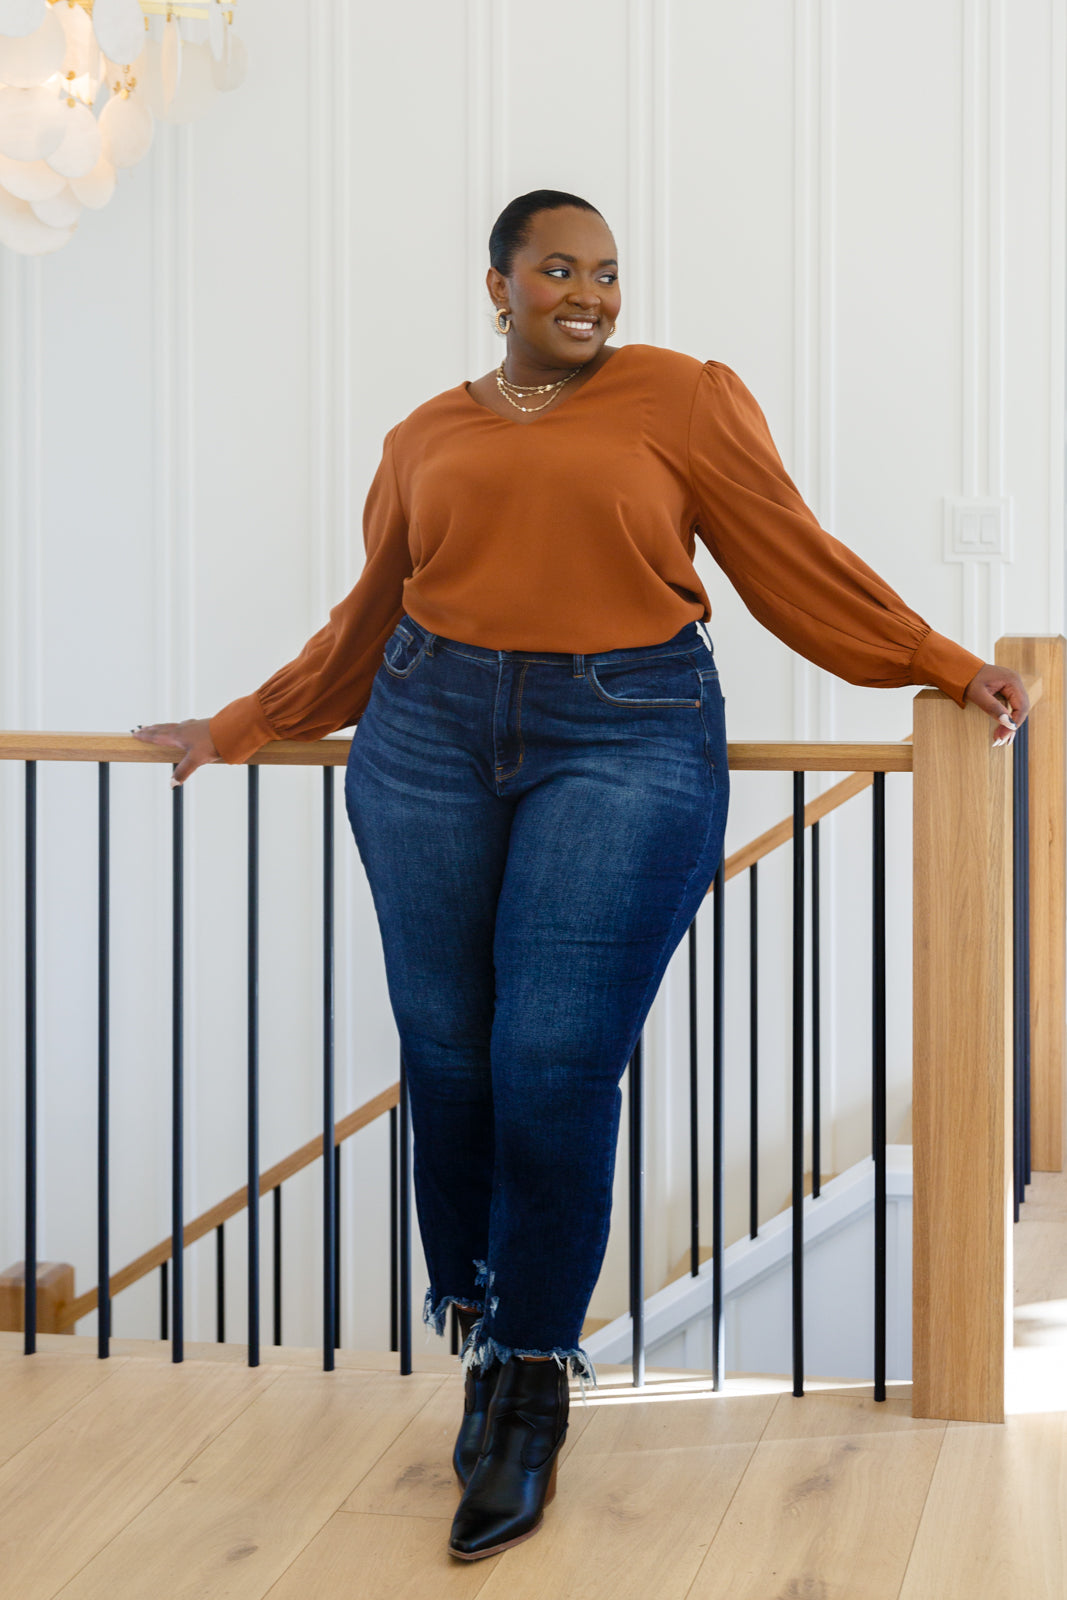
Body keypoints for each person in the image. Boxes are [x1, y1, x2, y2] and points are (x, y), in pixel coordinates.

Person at [133, 189, 1029, 1561]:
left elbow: (792, 560)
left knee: (552, 1058)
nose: (592, 296)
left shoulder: (681, 399)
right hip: (425, 732)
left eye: (608, 274)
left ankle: (533, 1380)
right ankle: (484, 1329)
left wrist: (942, 660)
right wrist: (239, 725)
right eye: (560, 269)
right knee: (449, 1053)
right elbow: (371, 616)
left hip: (627, 731)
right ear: (496, 284)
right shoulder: (424, 434)